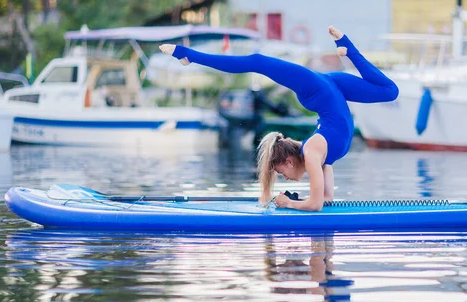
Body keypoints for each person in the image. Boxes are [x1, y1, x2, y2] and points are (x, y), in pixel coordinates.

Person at [159, 26, 398, 211]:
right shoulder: (318, 155)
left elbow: (316, 205)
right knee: (388, 90)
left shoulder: (313, 151)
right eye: (281, 175)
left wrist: (289, 204)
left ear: (290, 161)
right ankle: (345, 48)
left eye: (281, 173)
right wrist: (299, 202)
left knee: (258, 62)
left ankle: (186, 54)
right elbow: (324, 201)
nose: (286, 177)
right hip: (331, 89)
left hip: (319, 89)